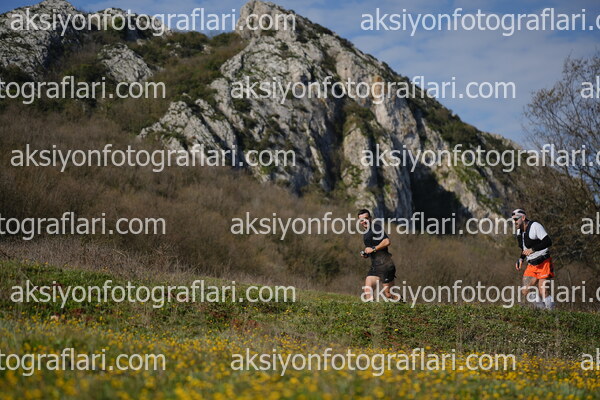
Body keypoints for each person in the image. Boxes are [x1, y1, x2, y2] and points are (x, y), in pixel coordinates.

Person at [512, 208, 555, 309]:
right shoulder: (519, 232)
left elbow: (548, 241)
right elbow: (524, 249)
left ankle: (551, 312)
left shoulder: (535, 226)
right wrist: (521, 259)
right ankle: (542, 309)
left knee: (543, 291)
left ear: (523, 218)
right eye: (512, 220)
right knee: (525, 290)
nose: (514, 222)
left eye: (516, 219)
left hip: (544, 262)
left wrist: (533, 249)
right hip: (531, 265)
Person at [358, 209, 399, 301]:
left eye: (366, 218)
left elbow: (387, 241)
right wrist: (366, 254)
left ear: (370, 218)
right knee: (367, 290)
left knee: (389, 295)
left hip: (385, 265)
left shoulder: (376, 228)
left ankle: (402, 303)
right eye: (361, 220)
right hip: (375, 266)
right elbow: (372, 249)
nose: (364, 221)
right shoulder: (366, 232)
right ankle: (372, 309)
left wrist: (373, 248)